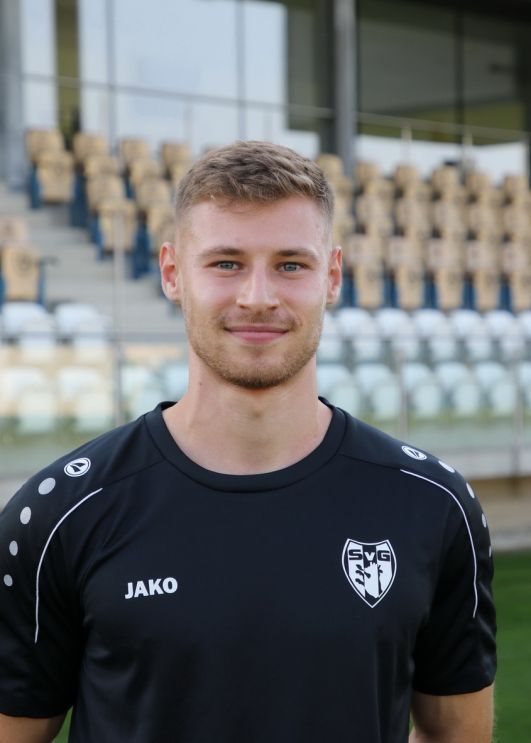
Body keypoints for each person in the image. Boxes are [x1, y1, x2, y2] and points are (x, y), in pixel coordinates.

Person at [0, 141, 495, 742]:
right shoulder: (59, 512)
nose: (258, 297)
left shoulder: (433, 503)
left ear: (332, 276)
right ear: (172, 273)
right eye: (226, 263)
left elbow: (453, 733)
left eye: (291, 265)